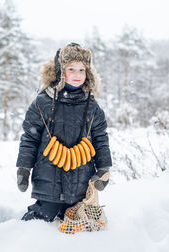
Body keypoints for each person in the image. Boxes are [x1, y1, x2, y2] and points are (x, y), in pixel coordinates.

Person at [16, 43, 112, 222]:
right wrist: (23, 168)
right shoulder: (42, 102)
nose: (77, 75)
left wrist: (104, 168)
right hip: (48, 179)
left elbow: (100, 139)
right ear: (60, 71)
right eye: (71, 69)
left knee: (77, 222)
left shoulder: (92, 106)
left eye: (82, 70)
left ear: (88, 73)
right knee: (41, 220)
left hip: (81, 181)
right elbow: (30, 137)